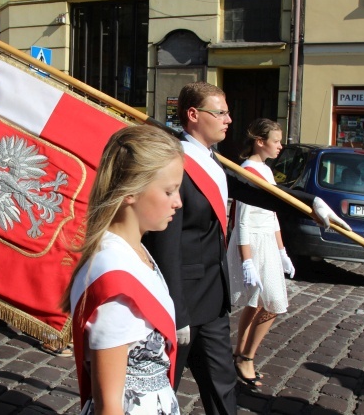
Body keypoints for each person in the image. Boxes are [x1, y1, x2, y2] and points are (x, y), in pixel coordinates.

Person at [143, 82, 350, 415]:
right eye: (220, 112)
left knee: (223, 390)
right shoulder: (172, 161)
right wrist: (175, 311)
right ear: (194, 115)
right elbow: (165, 241)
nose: (228, 120)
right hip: (179, 305)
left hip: (211, 301)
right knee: (159, 393)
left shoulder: (210, 159)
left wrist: (312, 203)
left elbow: (253, 190)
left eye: (227, 112)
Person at [62, 125, 183, 414]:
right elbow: (109, 405)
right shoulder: (116, 284)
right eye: (169, 191)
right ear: (130, 192)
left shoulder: (134, 251)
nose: (178, 202)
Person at [226, 118, 296, 388]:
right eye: (276, 141)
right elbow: (241, 220)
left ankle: (240, 354)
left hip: (267, 240)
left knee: (258, 302)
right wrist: (247, 261)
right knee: (274, 303)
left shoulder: (266, 170)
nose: (280, 146)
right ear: (260, 141)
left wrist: (282, 250)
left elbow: (272, 215)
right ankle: (246, 357)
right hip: (252, 242)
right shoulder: (248, 171)